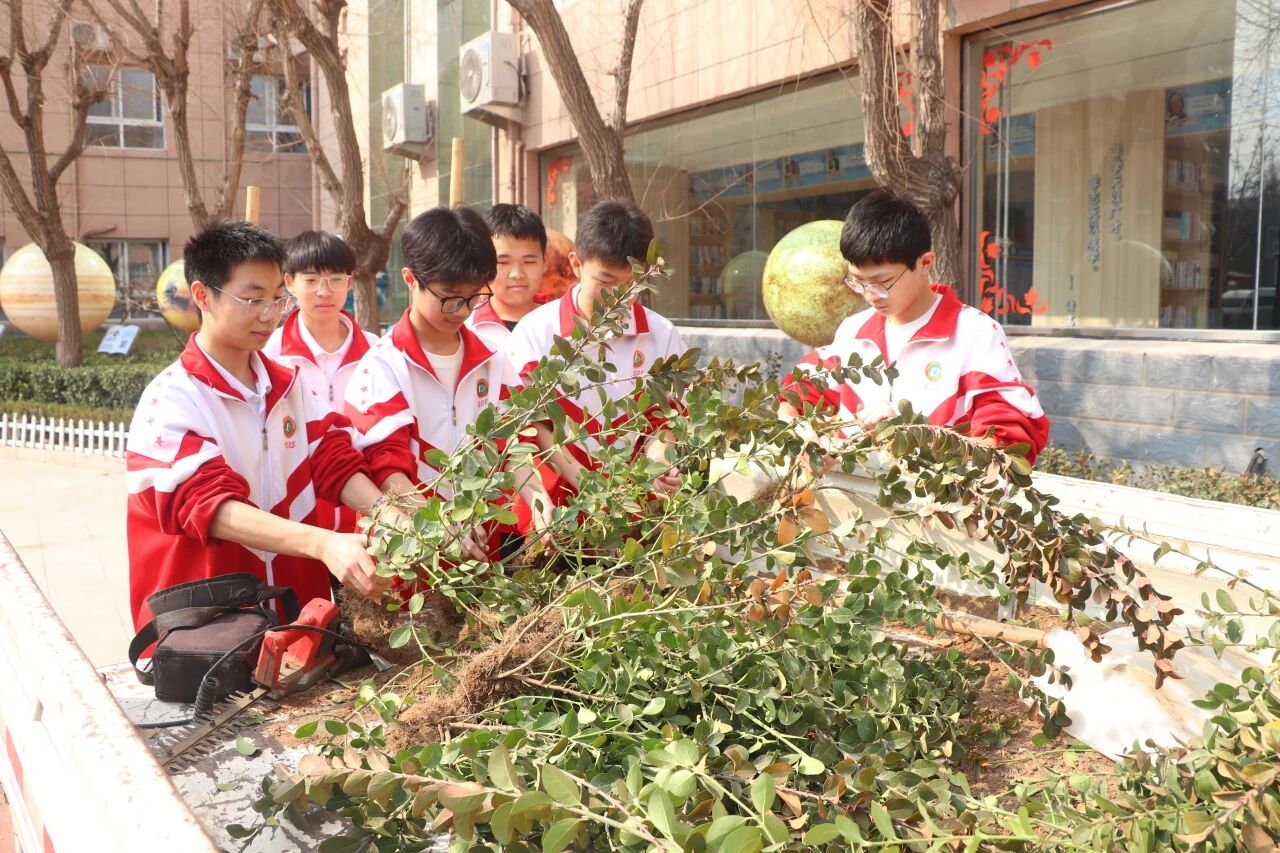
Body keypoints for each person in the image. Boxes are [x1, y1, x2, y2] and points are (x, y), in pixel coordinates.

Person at [125, 221, 391, 629]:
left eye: (277, 299)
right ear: (202, 295)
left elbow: (331, 458)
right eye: (252, 300)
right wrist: (321, 543)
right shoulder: (171, 399)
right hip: (206, 628)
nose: (269, 315)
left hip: (295, 613)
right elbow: (208, 506)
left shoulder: (289, 386)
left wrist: (387, 512)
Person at [779, 189, 1049, 461]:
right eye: (858, 282)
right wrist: (798, 429)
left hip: (935, 489)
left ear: (925, 263)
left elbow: (1009, 444)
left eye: (882, 283)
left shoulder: (973, 332)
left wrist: (914, 437)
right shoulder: (854, 331)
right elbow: (798, 395)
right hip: (854, 484)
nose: (870, 295)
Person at [345, 206, 552, 560]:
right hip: (407, 554)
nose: (463, 310)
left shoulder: (492, 360)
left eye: (474, 296)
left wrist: (537, 498)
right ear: (411, 279)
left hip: (481, 550)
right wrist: (439, 522)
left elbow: (510, 445)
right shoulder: (382, 366)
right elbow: (386, 470)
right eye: (450, 297)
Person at [503, 200, 686, 498]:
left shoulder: (661, 335)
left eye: (632, 284)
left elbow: (664, 419)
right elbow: (530, 423)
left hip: (631, 505)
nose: (619, 297)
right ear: (576, 265)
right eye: (606, 281)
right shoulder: (535, 332)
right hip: (556, 505)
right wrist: (587, 484)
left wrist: (659, 463)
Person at [264, 231, 380, 536]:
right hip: (299, 516)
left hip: (369, 514)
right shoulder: (270, 354)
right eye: (311, 280)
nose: (324, 292)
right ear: (289, 282)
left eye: (335, 280)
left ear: (350, 282)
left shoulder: (377, 352)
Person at [465, 203, 548, 349]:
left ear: (545, 261)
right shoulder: (465, 328)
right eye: (503, 262)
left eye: (529, 261)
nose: (517, 274)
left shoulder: (564, 323)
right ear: (484, 263)